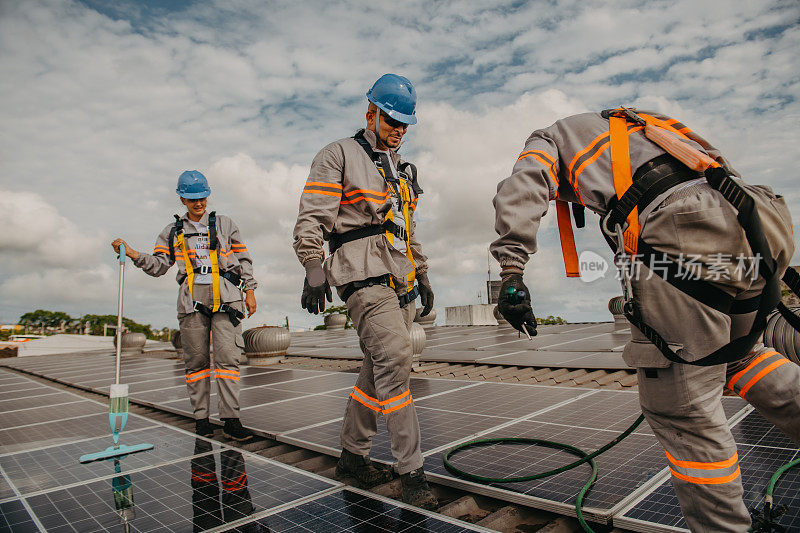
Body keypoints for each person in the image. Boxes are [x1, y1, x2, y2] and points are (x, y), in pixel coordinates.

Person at [491, 108, 800, 532]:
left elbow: (524, 185)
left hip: (685, 228)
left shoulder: (550, 137)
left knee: (684, 408)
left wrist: (511, 270)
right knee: (744, 358)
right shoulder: (642, 125)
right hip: (758, 219)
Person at [292, 74, 436, 509]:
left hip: (402, 279)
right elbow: (312, 215)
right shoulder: (337, 155)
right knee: (395, 360)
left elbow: (407, 229)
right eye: (392, 120)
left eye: (406, 123)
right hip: (362, 273)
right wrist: (313, 265)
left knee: (376, 372)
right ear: (370, 112)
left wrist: (423, 273)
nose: (399, 129)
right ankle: (411, 472)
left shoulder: (402, 171)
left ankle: (352, 457)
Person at [112, 170, 257, 441]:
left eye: (202, 197)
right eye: (192, 199)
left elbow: (244, 259)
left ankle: (231, 420)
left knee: (228, 360)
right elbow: (158, 267)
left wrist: (250, 290)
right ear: (182, 199)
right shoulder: (172, 232)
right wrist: (133, 254)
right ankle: (201, 420)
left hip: (227, 297)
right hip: (191, 300)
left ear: (207, 195)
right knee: (196, 362)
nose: (198, 203)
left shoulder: (226, 224)